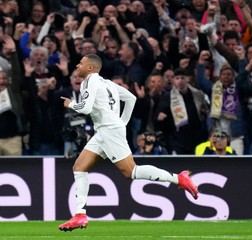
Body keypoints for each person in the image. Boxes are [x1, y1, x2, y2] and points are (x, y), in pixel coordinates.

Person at [58, 54, 198, 231]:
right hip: (105, 131)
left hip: (108, 131)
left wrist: (71, 104)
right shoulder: (108, 83)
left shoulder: (90, 81)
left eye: (81, 63)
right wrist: (121, 123)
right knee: (79, 167)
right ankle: (80, 214)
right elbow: (131, 98)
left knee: (131, 171)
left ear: (91, 68)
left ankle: (178, 178)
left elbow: (85, 108)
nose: (77, 65)